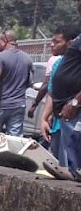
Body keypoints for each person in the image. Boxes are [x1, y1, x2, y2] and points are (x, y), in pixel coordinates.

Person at [36, 26, 79, 160]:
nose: (52, 44)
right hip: (58, 123)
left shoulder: (77, 65)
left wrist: (74, 103)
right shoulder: (58, 64)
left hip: (73, 119)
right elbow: (52, 92)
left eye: (57, 42)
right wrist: (44, 117)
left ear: (71, 42)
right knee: (60, 163)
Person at [49, 0, 81, 178]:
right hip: (66, 104)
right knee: (71, 145)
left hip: (73, 104)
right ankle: (74, 173)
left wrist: (75, 102)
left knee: (76, 141)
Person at [0, 31, 33, 136]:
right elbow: (30, 82)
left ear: (5, 41)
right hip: (18, 105)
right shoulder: (27, 58)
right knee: (16, 139)